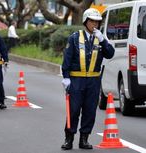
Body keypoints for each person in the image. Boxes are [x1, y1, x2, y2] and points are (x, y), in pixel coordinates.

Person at [61, 8, 115, 150]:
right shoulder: (74, 37)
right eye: (92, 21)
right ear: (85, 21)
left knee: (90, 110)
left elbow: (110, 54)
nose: (95, 24)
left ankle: (84, 139)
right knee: (73, 110)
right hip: (76, 80)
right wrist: (66, 77)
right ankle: (69, 138)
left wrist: (103, 40)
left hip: (93, 81)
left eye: (97, 22)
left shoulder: (101, 38)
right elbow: (67, 59)